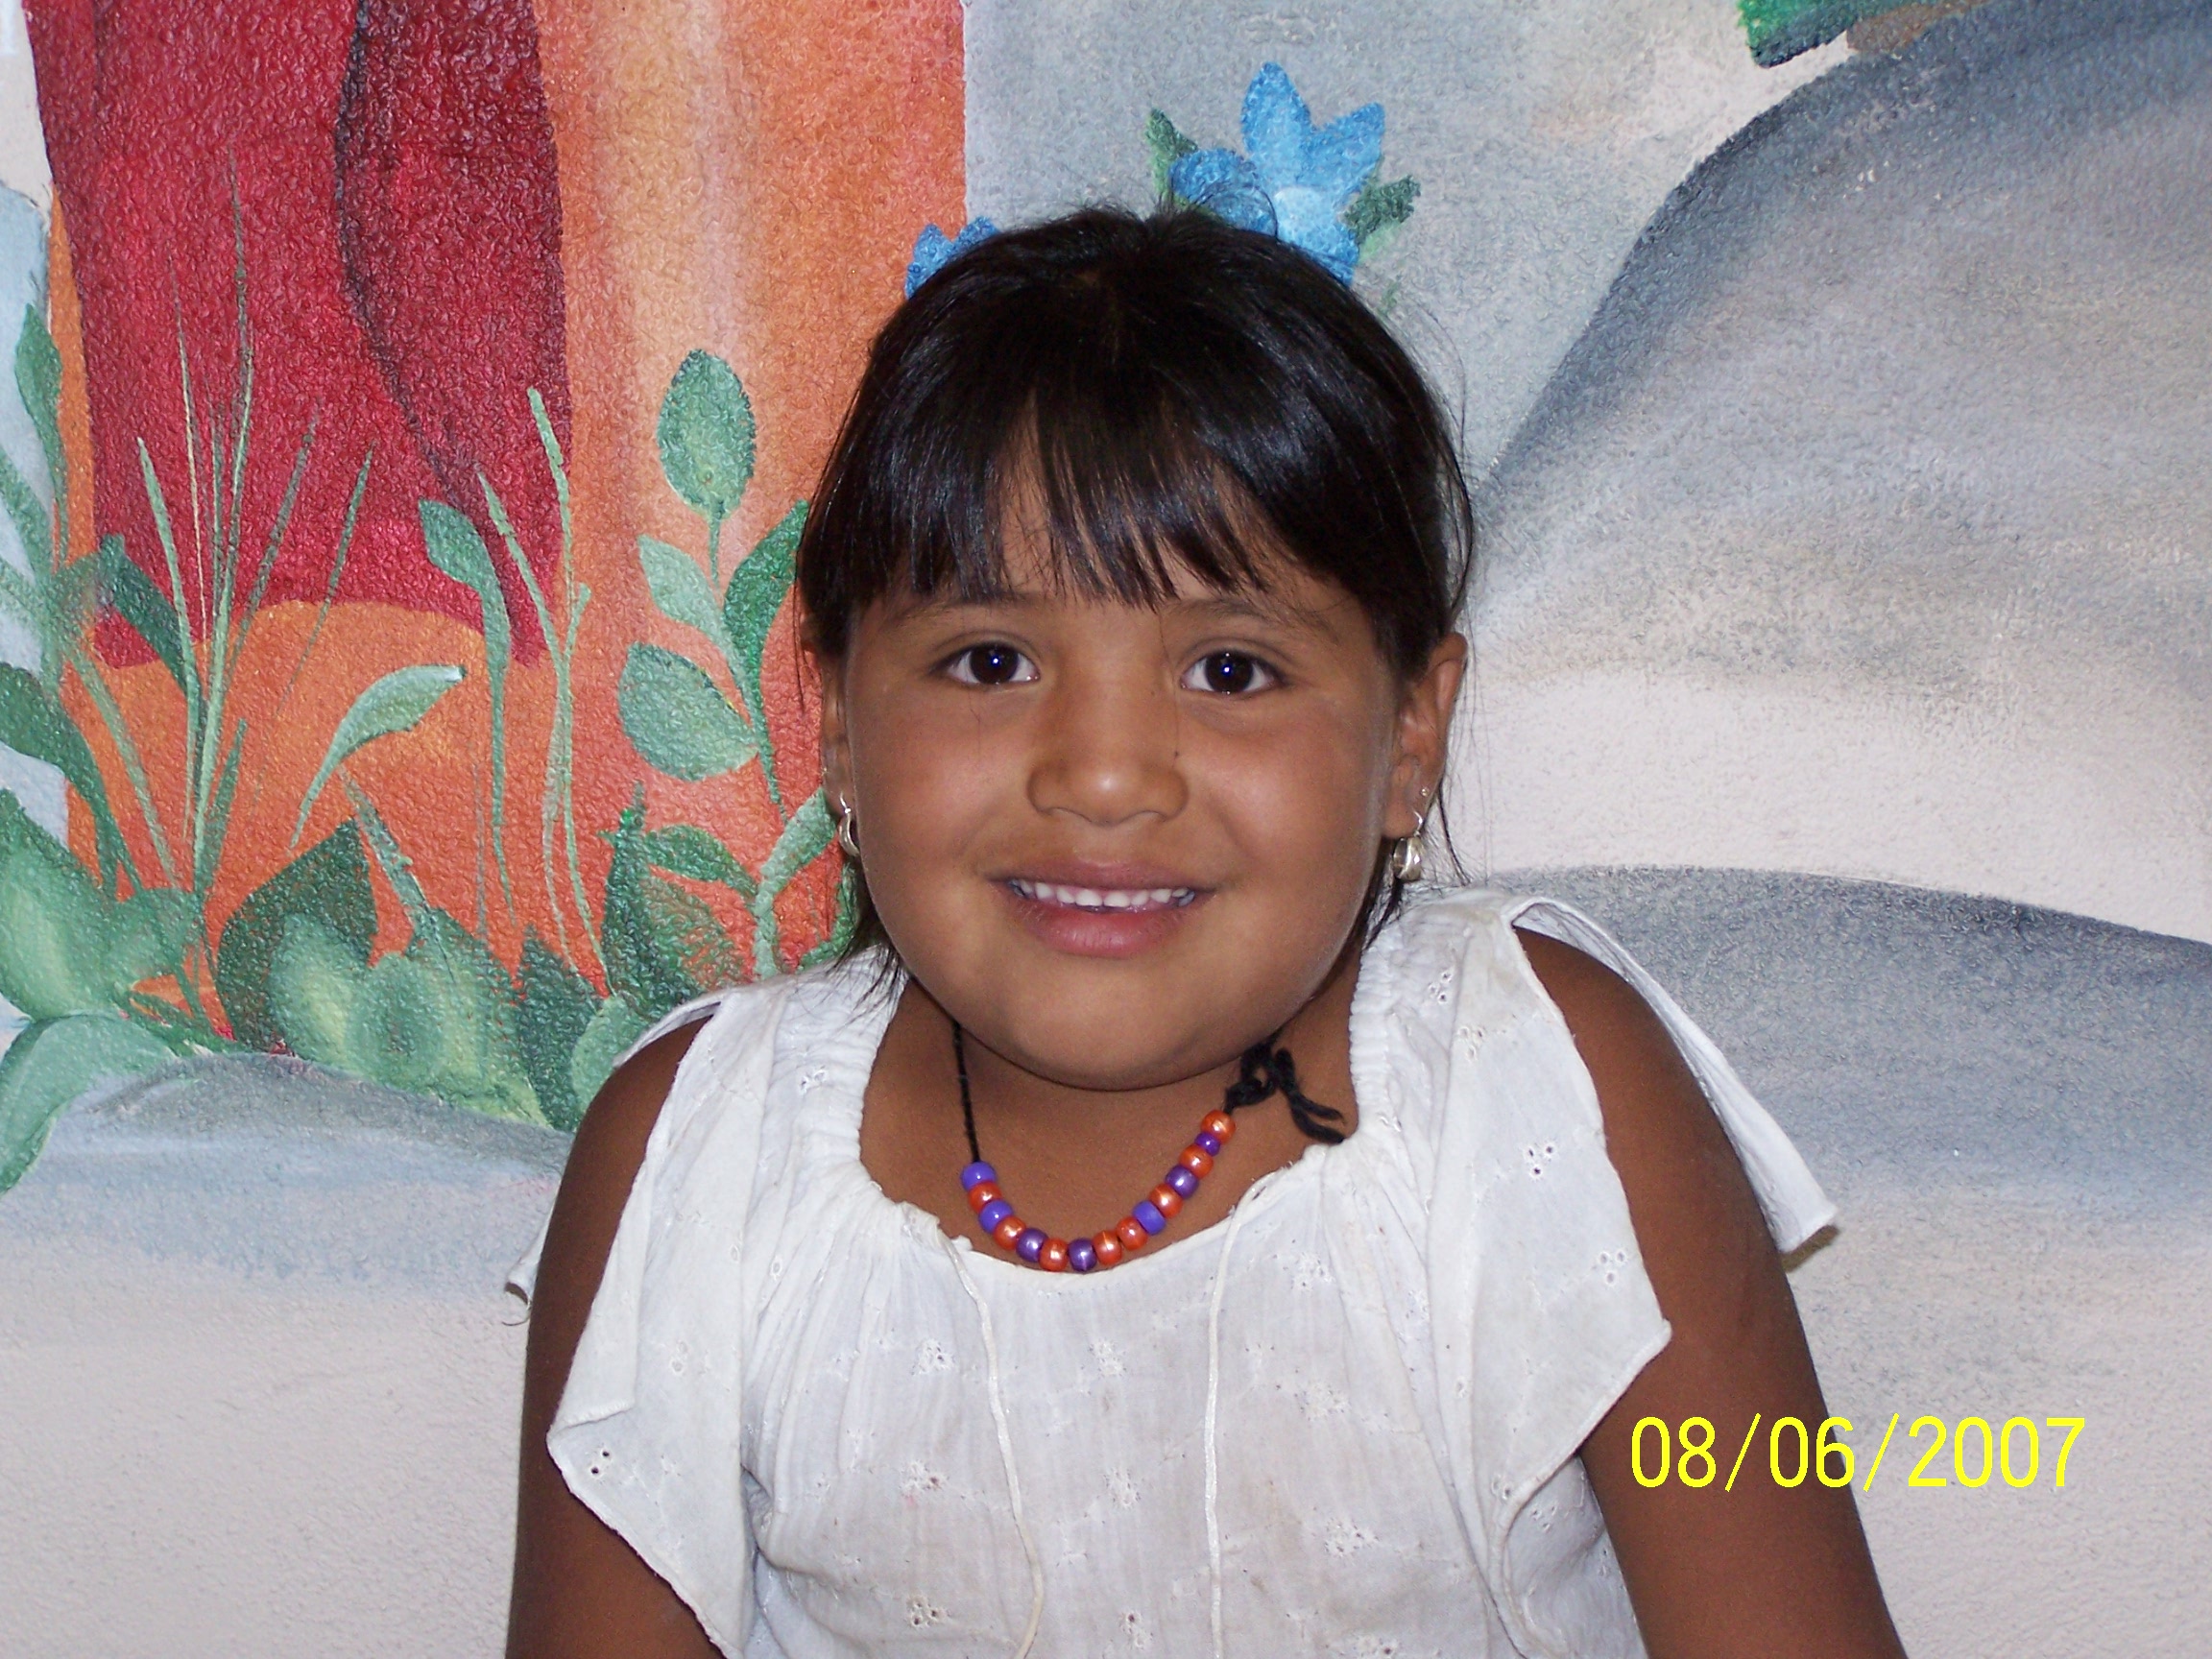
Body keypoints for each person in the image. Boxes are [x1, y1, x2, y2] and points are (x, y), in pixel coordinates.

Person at [506, 206, 1905, 1659]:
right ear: (843, 723)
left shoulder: (1547, 1088)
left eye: (1230, 671)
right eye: (991, 661)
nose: (1106, 777)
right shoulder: (697, 1162)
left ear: (1410, 735)